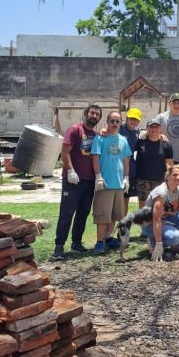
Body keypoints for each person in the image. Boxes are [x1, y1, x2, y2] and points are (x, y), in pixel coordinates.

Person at [53, 103, 102, 259]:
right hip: (73, 180)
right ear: (86, 113)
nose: (94, 116)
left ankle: (76, 243)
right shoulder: (75, 130)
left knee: (83, 213)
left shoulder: (96, 135)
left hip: (88, 181)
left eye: (97, 114)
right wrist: (70, 171)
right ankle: (59, 246)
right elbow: (65, 151)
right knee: (67, 212)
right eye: (92, 113)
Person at [91, 110, 132, 254]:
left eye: (117, 121)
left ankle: (108, 239)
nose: (115, 123)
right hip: (105, 184)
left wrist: (126, 178)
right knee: (102, 215)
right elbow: (95, 158)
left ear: (120, 123)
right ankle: (99, 242)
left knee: (114, 215)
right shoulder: (100, 139)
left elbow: (126, 161)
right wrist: (98, 176)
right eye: (112, 121)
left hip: (119, 185)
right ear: (107, 122)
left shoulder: (123, 140)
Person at [142, 164, 179, 262]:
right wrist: (159, 243)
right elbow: (156, 219)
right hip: (151, 224)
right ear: (167, 176)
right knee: (176, 237)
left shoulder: (177, 188)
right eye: (175, 175)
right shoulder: (161, 193)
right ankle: (153, 241)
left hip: (167, 219)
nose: (178, 177)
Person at [135, 119, 174, 207]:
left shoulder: (166, 144)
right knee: (143, 205)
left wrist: (170, 179)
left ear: (160, 128)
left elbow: (170, 164)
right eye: (151, 127)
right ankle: (144, 221)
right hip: (142, 179)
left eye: (156, 127)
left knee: (158, 204)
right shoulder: (140, 141)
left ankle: (156, 221)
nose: (154, 129)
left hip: (159, 180)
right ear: (147, 128)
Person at [120, 107, 142, 214]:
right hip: (117, 168)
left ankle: (123, 227)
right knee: (115, 200)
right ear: (126, 118)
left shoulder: (138, 131)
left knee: (125, 199)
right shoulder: (119, 128)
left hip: (130, 170)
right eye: (131, 119)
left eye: (136, 120)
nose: (134, 121)